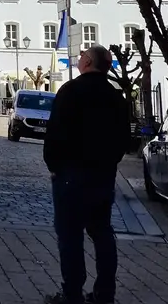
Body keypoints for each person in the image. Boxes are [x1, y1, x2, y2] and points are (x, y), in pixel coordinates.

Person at [42, 44, 130, 304]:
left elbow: (54, 134)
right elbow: (124, 139)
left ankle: (72, 294)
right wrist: (108, 163)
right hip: (102, 176)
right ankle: (105, 293)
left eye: (82, 55)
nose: (79, 59)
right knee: (102, 232)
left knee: (70, 236)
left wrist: (55, 167)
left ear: (88, 61)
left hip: (70, 175)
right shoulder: (116, 98)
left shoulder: (70, 92)